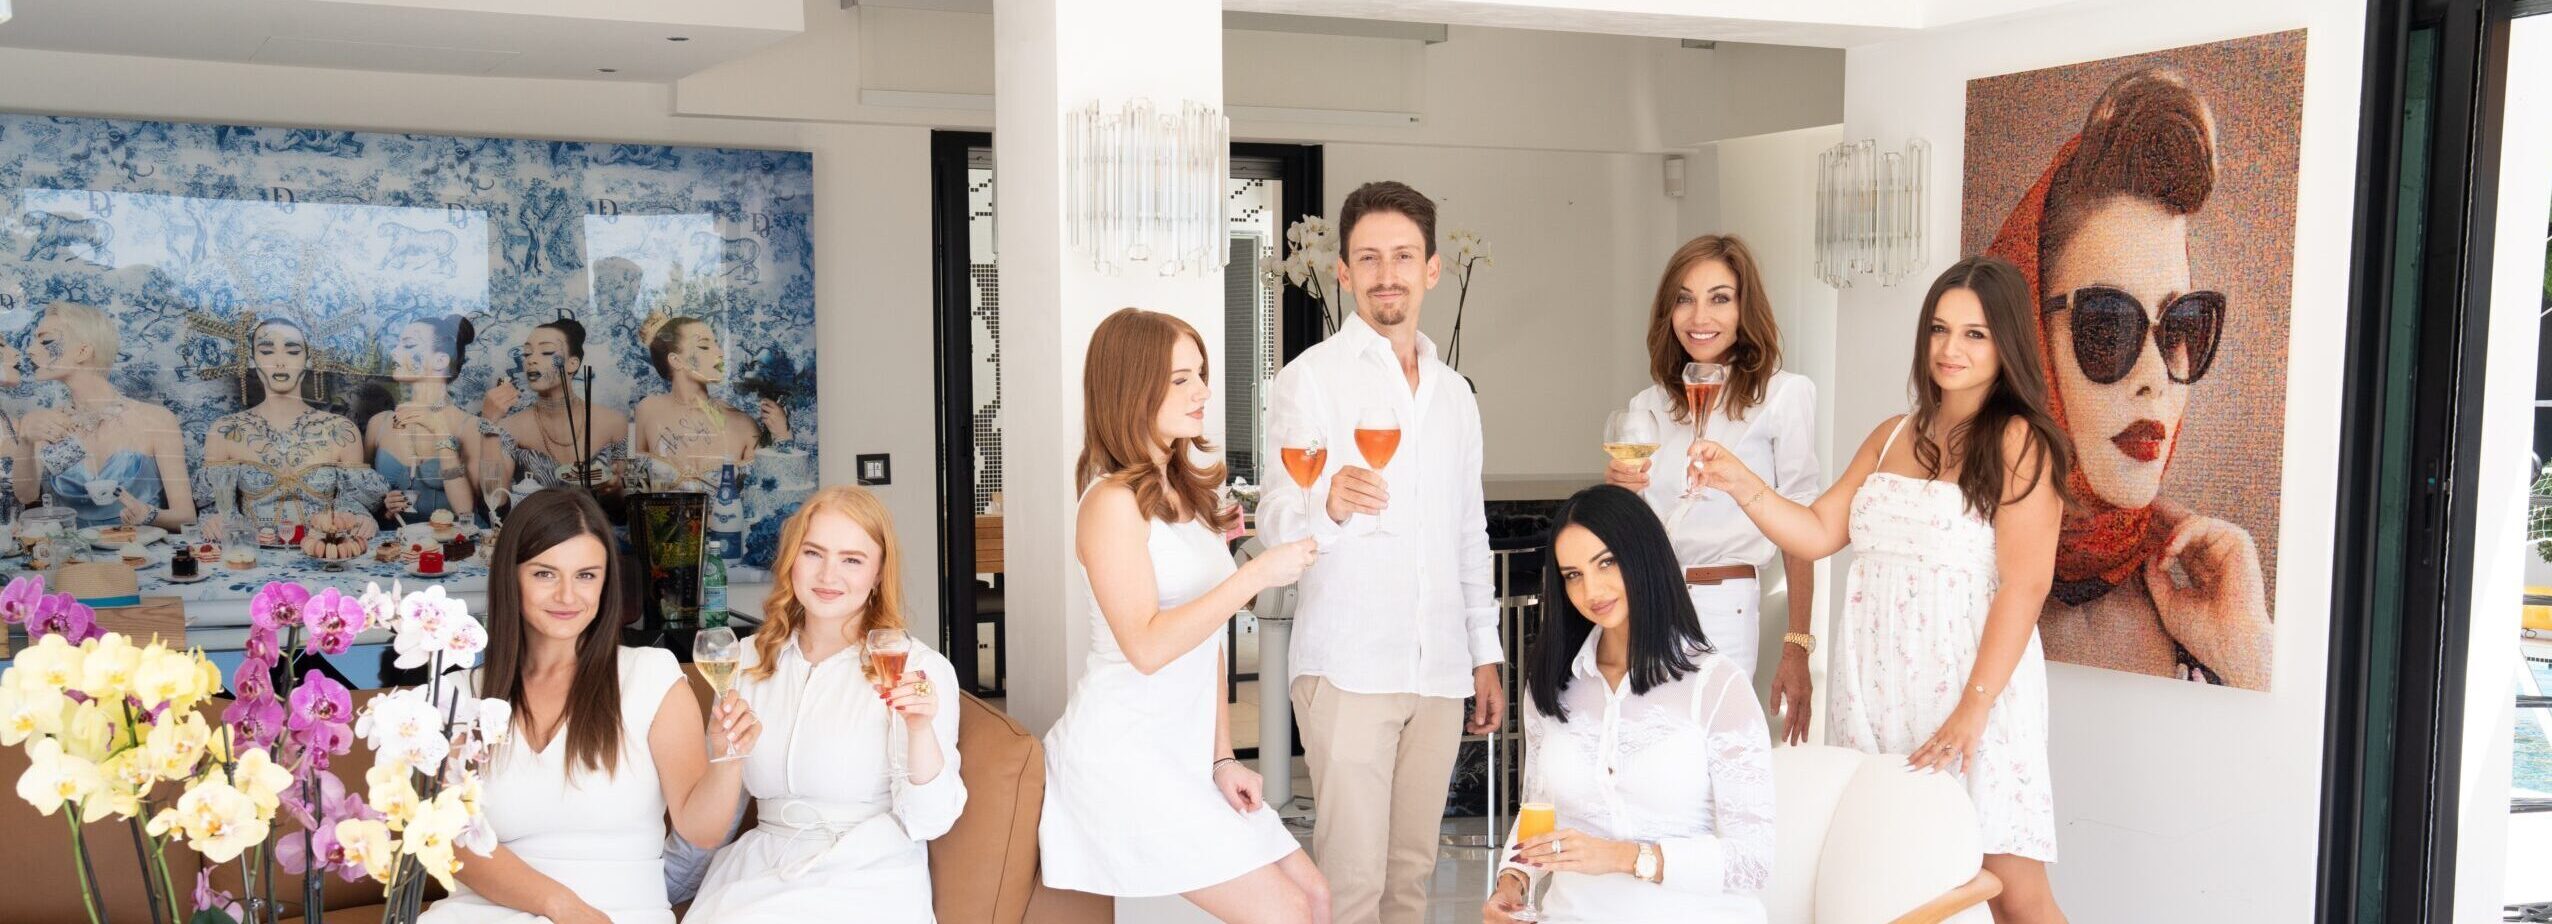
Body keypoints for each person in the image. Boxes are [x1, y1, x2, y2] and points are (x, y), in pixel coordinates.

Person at [1693, 256, 2074, 923]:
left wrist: (1972, 710)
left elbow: (2025, 586)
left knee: (2014, 892)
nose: (1951, 349)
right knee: (1896, 885)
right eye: (1940, 329)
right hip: (1877, 690)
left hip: (1972, 691)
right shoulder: (1893, 433)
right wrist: (1739, 482)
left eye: (1975, 334)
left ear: (2006, 343)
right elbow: (1816, 531)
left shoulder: (2022, 444)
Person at [1255, 180, 1502, 924]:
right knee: (1353, 886)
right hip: (1349, 667)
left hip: (1438, 671)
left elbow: (1468, 534)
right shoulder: (1309, 379)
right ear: (1343, 271)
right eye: (1368, 258)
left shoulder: (1455, 396)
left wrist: (1484, 655)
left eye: (1402, 256)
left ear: (1432, 269)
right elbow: (1273, 521)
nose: (1386, 274)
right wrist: (1325, 506)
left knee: (1412, 881)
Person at [1040, 307, 1328, 922]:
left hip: (1183, 752)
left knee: (1315, 897)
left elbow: (1207, 640)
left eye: (1200, 374)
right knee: (1289, 911)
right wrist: (1253, 575)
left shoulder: (1187, 494)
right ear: (1131, 387)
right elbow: (1146, 647)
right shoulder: (1109, 503)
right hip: (1125, 756)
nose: (1202, 392)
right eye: (1180, 379)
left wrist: (1221, 758)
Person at [1985, 68, 2270, 690]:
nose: (2154, 380)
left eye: (2182, 325)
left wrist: (2249, 654)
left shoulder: (2204, 601)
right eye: (2107, 328)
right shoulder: (1957, 584)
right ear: (2027, 342)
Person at [419, 487, 758, 924]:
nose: (567, 596)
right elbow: (451, 841)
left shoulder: (651, 677)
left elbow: (701, 830)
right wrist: (561, 907)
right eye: (545, 574)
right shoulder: (458, 696)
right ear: (510, 577)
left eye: (586, 575)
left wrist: (729, 759)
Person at [1483, 484, 1774, 924]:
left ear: (1644, 556)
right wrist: (1513, 883)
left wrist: (1622, 857)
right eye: (1573, 575)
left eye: (1606, 562)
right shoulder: (1552, 684)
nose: (1591, 589)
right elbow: (1537, 809)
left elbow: (1753, 861)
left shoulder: (1716, 685)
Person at [682, 485, 964, 922]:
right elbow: (719, 814)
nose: (828, 575)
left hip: (866, 877)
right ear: (791, 561)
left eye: (852, 560)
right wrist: (653, 888)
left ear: (878, 574)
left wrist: (920, 729)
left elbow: (930, 822)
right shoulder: (747, 660)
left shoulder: (917, 669)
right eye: (813, 553)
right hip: (758, 874)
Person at [1603, 233, 1822, 742]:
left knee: (1711, 754)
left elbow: (1802, 531)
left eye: (1719, 298)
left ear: (1745, 308)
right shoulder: (1647, 406)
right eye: (1685, 299)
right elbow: (1633, 534)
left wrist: (1797, 646)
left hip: (1724, 606)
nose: (1700, 316)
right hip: (1645, 604)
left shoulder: (1783, 396)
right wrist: (1620, 497)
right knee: (1642, 756)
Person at [196, 316, 385, 548]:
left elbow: (353, 505)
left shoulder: (341, 431)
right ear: (252, 359)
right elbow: (219, 508)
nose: (280, 362)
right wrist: (218, 523)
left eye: (292, 351)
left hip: (323, 557)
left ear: (309, 358)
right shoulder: (226, 431)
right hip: (250, 557)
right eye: (267, 351)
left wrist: (359, 519)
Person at [8, 301, 197, 529]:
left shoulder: (157, 420)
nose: (30, 349)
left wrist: (148, 515)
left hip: (139, 548)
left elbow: (187, 517)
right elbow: (25, 496)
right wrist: (26, 442)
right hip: (71, 550)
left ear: (83, 351)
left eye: (46, 341)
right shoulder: (47, 424)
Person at [631, 315, 788, 494]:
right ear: (676, 360)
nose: (720, 352)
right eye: (704, 346)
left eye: (717, 344)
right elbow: (628, 487)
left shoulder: (744, 425)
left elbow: (770, 495)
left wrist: (782, 436)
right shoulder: (647, 410)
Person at [480, 317, 631, 497]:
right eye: (527, 353)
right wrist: (488, 423)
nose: (531, 360)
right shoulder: (510, 428)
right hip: (537, 516)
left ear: (572, 364)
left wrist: (617, 489)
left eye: (546, 352)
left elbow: (627, 500)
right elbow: (495, 500)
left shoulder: (614, 423)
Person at [365, 314, 491, 528]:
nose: (394, 352)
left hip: (454, 543)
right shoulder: (379, 424)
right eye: (397, 345)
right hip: (394, 544)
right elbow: (362, 503)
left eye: (408, 345)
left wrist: (440, 430)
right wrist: (383, 507)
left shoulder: (469, 426)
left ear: (440, 360)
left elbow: (465, 512)